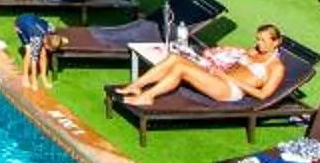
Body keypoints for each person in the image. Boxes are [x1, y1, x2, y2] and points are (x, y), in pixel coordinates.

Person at [119, 23, 287, 108]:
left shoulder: (276, 67)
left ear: (277, 42)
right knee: (174, 58)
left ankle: (148, 96)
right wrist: (219, 52)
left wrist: (226, 77)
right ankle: (136, 85)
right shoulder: (254, 51)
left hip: (229, 89)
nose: (259, 43)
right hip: (218, 77)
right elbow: (237, 54)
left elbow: (263, 94)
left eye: (263, 41)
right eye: (258, 38)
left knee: (181, 69)